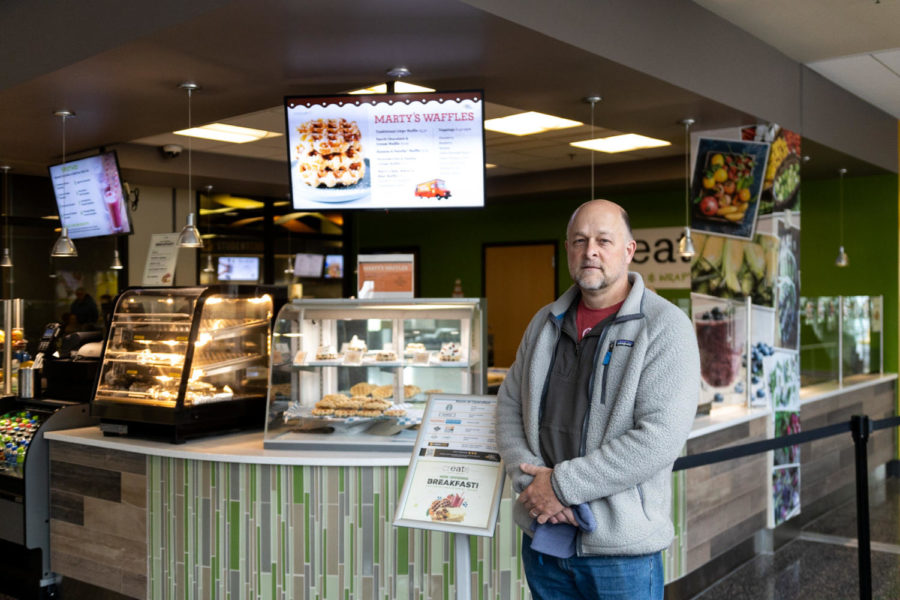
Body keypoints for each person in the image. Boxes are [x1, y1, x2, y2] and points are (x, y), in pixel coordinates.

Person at [495, 199, 700, 599]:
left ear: (628, 251)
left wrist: (560, 487)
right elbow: (508, 408)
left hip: (619, 552)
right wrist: (533, 487)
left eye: (604, 240)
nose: (590, 250)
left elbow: (657, 439)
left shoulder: (665, 327)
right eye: (579, 240)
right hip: (545, 539)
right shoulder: (544, 323)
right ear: (569, 250)